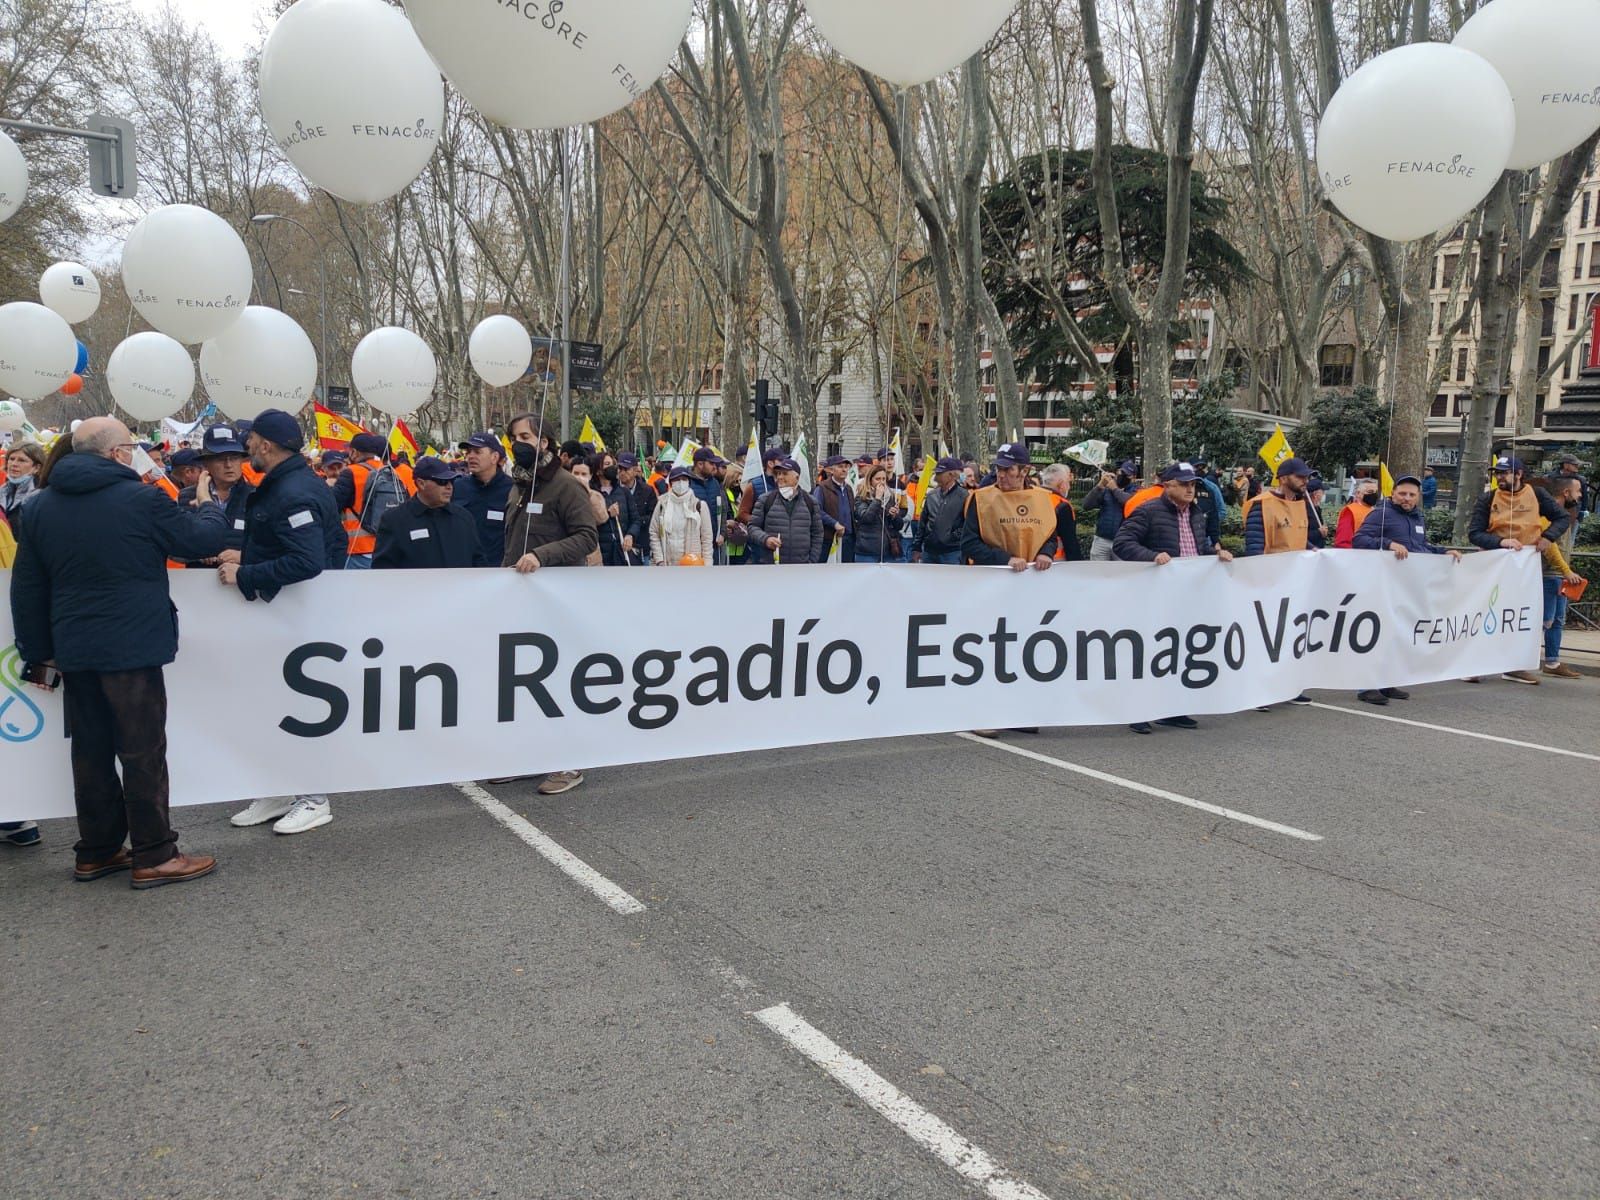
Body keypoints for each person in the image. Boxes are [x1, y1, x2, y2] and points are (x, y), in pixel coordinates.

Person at [9, 417, 227, 887]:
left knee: (90, 750)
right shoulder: (142, 498)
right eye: (130, 445)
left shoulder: (39, 505)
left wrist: (39, 653)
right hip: (132, 646)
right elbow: (203, 539)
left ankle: (98, 849)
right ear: (116, 454)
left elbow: (27, 589)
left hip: (74, 647)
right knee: (142, 750)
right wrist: (207, 505)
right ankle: (154, 853)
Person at [221, 409, 348, 834]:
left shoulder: (293, 491)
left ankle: (314, 796)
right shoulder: (283, 484)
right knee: (270, 702)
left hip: (301, 619)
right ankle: (278, 787)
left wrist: (247, 573)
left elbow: (307, 560)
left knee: (299, 708)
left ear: (267, 445)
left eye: (251, 439)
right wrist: (250, 557)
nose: (247, 447)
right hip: (282, 615)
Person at [497, 413, 600, 795]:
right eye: (512, 436)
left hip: (555, 601)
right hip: (521, 600)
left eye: (525, 435)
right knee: (524, 680)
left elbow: (587, 537)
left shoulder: (566, 486)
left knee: (558, 680)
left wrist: (543, 555)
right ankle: (529, 756)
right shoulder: (519, 486)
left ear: (545, 442)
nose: (517, 442)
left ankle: (568, 762)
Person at [1113, 462, 1235, 736]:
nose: (1191, 489)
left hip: (1188, 595)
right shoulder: (1148, 511)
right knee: (1151, 653)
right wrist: (1152, 556)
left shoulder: (1197, 514)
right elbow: (1122, 543)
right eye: (1184, 484)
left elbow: (1197, 547)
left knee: (1179, 651)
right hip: (1156, 594)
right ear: (1168, 486)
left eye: (1193, 484)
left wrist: (1215, 554)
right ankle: (1138, 710)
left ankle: (1172, 709)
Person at [1350, 475, 1463, 705]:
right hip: (1383, 585)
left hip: (1405, 587)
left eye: (1412, 495)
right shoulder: (1381, 514)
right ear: (1393, 494)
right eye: (1403, 494)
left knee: (1397, 635)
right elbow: (1359, 539)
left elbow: (1419, 547)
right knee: (1378, 635)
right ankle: (1366, 685)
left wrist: (1442, 552)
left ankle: (1386, 681)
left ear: (1418, 498)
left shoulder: (1417, 517)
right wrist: (1389, 544)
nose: (1407, 498)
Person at [1467, 456, 1572, 685]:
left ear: (1519, 474)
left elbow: (1562, 518)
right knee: (1488, 614)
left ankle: (1513, 666)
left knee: (1520, 616)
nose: (1500, 477)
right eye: (1497, 473)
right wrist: (1500, 542)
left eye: (1504, 473)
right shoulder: (1488, 498)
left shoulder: (1537, 495)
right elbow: (1474, 533)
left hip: (1526, 566)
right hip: (1495, 563)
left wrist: (1548, 537)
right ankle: (1474, 664)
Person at [961, 442, 1066, 571]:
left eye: (1008, 469)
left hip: (1032, 577)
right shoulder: (981, 499)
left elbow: (1050, 536)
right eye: (998, 468)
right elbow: (969, 543)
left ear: (1024, 471)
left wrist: (1045, 553)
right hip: (991, 578)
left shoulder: (1042, 499)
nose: (1001, 474)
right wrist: (1006, 560)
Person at [372, 456, 486, 569]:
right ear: (421, 483)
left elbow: (478, 560)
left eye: (452, 481)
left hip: (460, 586)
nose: (449, 487)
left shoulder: (464, 517)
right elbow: (383, 569)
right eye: (442, 481)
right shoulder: (394, 520)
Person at [1537, 475, 1585, 680]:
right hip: (1550, 575)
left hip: (1557, 575)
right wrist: (1566, 571)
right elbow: (1550, 547)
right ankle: (1516, 661)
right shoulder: (1550, 516)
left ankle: (1552, 661)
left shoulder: (1563, 515)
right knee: (1545, 620)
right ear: (1566, 493)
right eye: (1578, 491)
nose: (1580, 495)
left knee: (1555, 620)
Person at [452, 431, 513, 568]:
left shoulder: (513, 490)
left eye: (477, 452)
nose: (470, 456)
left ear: (494, 457)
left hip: (499, 570)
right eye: (468, 452)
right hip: (463, 570)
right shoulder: (457, 487)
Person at [1243, 457, 1324, 558]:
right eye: (1300, 477)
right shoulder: (1262, 504)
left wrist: (1311, 548)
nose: (1306, 481)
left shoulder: (1299, 504)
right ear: (1283, 479)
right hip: (1272, 570)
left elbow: (1295, 538)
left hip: (1294, 570)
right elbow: (1254, 549)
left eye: (1306, 477)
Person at [747, 457, 823, 564]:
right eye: (778, 474)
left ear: (796, 477)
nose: (780, 477)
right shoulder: (765, 499)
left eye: (785, 473)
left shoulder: (810, 502)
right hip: (771, 565)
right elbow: (752, 527)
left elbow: (817, 533)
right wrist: (766, 539)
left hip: (801, 567)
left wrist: (811, 561)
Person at [650, 465, 714, 565]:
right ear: (671, 483)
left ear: (689, 482)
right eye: (677, 480)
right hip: (667, 565)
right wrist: (659, 560)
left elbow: (707, 539)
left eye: (684, 479)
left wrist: (707, 564)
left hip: (692, 565)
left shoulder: (699, 506)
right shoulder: (662, 504)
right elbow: (654, 532)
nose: (680, 483)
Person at [912, 457, 967, 565]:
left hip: (952, 552)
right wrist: (917, 547)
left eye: (939, 474)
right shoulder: (931, 495)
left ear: (951, 475)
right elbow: (922, 524)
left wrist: (951, 537)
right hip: (929, 551)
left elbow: (967, 524)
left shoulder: (964, 496)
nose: (936, 477)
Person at [851, 464, 904, 563]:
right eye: (878, 479)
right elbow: (866, 518)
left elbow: (899, 526)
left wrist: (895, 516)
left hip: (887, 549)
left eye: (884, 479)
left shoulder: (890, 497)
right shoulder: (861, 497)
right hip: (867, 549)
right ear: (870, 480)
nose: (881, 482)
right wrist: (877, 499)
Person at [592, 457, 639, 566]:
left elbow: (636, 519)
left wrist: (630, 535)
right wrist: (608, 514)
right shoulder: (592, 493)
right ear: (598, 470)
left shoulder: (624, 492)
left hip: (621, 553)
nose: (612, 467)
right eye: (607, 464)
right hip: (601, 553)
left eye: (613, 464)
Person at [688, 448, 731, 564]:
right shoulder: (687, 483)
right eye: (711, 463)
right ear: (700, 464)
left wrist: (722, 533)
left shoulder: (715, 483)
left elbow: (723, 508)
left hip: (714, 543)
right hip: (693, 544)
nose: (714, 467)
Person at [1081, 468, 1131, 561]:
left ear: (1134, 477)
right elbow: (1086, 505)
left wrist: (1114, 489)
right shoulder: (1105, 490)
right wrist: (1099, 486)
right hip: (1102, 539)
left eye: (1126, 474)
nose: (1121, 476)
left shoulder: (1135, 490)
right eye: (1120, 473)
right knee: (1097, 573)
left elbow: (1129, 502)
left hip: (1123, 542)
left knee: (1122, 573)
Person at [568, 456, 609, 566]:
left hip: (591, 555)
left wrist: (587, 493)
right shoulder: (562, 495)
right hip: (569, 550)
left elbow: (602, 517)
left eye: (583, 474)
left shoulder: (596, 495)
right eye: (576, 473)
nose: (579, 477)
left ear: (590, 476)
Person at [813, 454, 855, 563]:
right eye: (840, 466)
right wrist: (834, 523)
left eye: (846, 467)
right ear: (832, 470)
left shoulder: (849, 489)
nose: (844, 469)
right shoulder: (822, 488)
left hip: (847, 539)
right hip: (828, 539)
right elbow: (817, 511)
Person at [616, 453, 656, 561]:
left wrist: (636, 523)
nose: (622, 472)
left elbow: (653, 516)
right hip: (618, 547)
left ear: (635, 470)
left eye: (626, 469)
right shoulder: (613, 490)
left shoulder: (647, 491)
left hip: (641, 546)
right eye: (620, 469)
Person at [3, 442, 45, 519]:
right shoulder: (3, 489)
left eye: (22, 460)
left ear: (36, 468)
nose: (14, 464)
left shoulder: (40, 496)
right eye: (11, 459)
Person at [1333, 479, 1379, 548]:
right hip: (1356, 554)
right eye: (1370, 492)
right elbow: (1343, 541)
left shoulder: (1375, 511)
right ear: (1358, 493)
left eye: (1376, 492)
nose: (1374, 495)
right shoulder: (1350, 510)